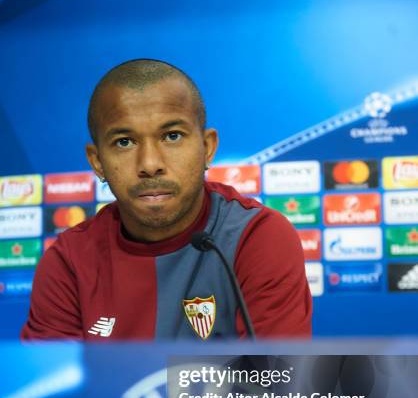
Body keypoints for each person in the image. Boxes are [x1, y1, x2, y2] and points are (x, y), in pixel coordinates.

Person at [21, 59, 312, 341]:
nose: (149, 163)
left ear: (207, 148)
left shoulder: (257, 238)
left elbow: (278, 382)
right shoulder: (68, 263)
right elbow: (59, 388)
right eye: (124, 142)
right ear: (98, 162)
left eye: (172, 136)